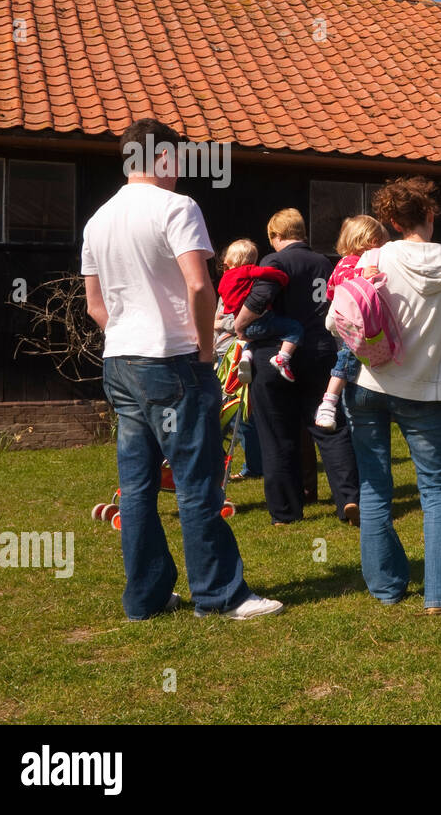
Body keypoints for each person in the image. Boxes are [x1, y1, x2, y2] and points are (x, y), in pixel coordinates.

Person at [82, 118, 282, 621]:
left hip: (121, 360)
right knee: (196, 480)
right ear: (164, 158)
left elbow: (94, 304)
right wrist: (203, 348)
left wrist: (125, 334)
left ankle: (146, 598)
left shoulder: (98, 219)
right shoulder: (178, 208)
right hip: (173, 360)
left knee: (138, 485)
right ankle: (220, 595)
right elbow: (199, 286)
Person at [342, 176, 441, 613]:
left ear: (389, 219)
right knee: (436, 490)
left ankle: (387, 587)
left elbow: (342, 319)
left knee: (373, 485)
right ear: (430, 214)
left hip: (371, 381)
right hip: (425, 386)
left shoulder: (374, 256)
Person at [234, 209, 361, 526]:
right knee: (329, 428)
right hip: (318, 352)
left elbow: (262, 297)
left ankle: (285, 512)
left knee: (278, 435)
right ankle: (349, 499)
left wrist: (240, 325)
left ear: (275, 235)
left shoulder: (273, 262)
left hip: (277, 354)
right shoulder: (322, 261)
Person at [315, 214, 390, 430]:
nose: (381, 248)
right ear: (364, 241)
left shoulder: (363, 261)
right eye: (378, 242)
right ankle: (329, 402)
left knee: (350, 360)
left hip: (357, 320)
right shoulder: (349, 262)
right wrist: (362, 273)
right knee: (346, 358)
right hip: (349, 322)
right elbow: (338, 280)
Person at [212, 239, 265, 480]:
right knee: (229, 411)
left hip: (236, 353)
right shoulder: (229, 283)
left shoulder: (247, 286)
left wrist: (219, 323)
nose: (224, 265)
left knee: (239, 412)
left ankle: (252, 466)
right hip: (222, 352)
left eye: (229, 262)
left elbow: (244, 321)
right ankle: (229, 463)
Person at [217, 253, 304, 383]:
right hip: (258, 321)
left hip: (242, 327)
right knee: (294, 328)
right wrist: (283, 278)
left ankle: (246, 356)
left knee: (254, 339)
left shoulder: (224, 279)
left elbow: (220, 292)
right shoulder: (246, 270)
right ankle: (282, 359)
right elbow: (266, 273)